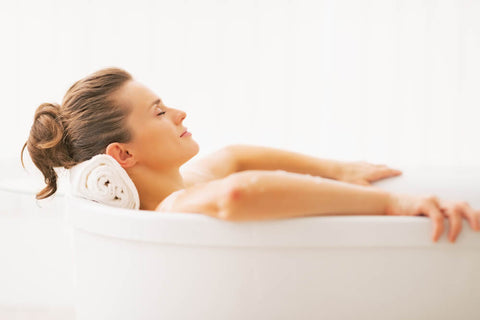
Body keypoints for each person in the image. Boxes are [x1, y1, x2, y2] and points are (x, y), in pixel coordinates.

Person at [21, 67, 480, 243]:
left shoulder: (191, 181)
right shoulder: (172, 208)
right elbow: (239, 193)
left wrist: (339, 169)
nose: (180, 113)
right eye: (159, 111)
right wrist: (394, 205)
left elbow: (236, 158)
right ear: (122, 154)